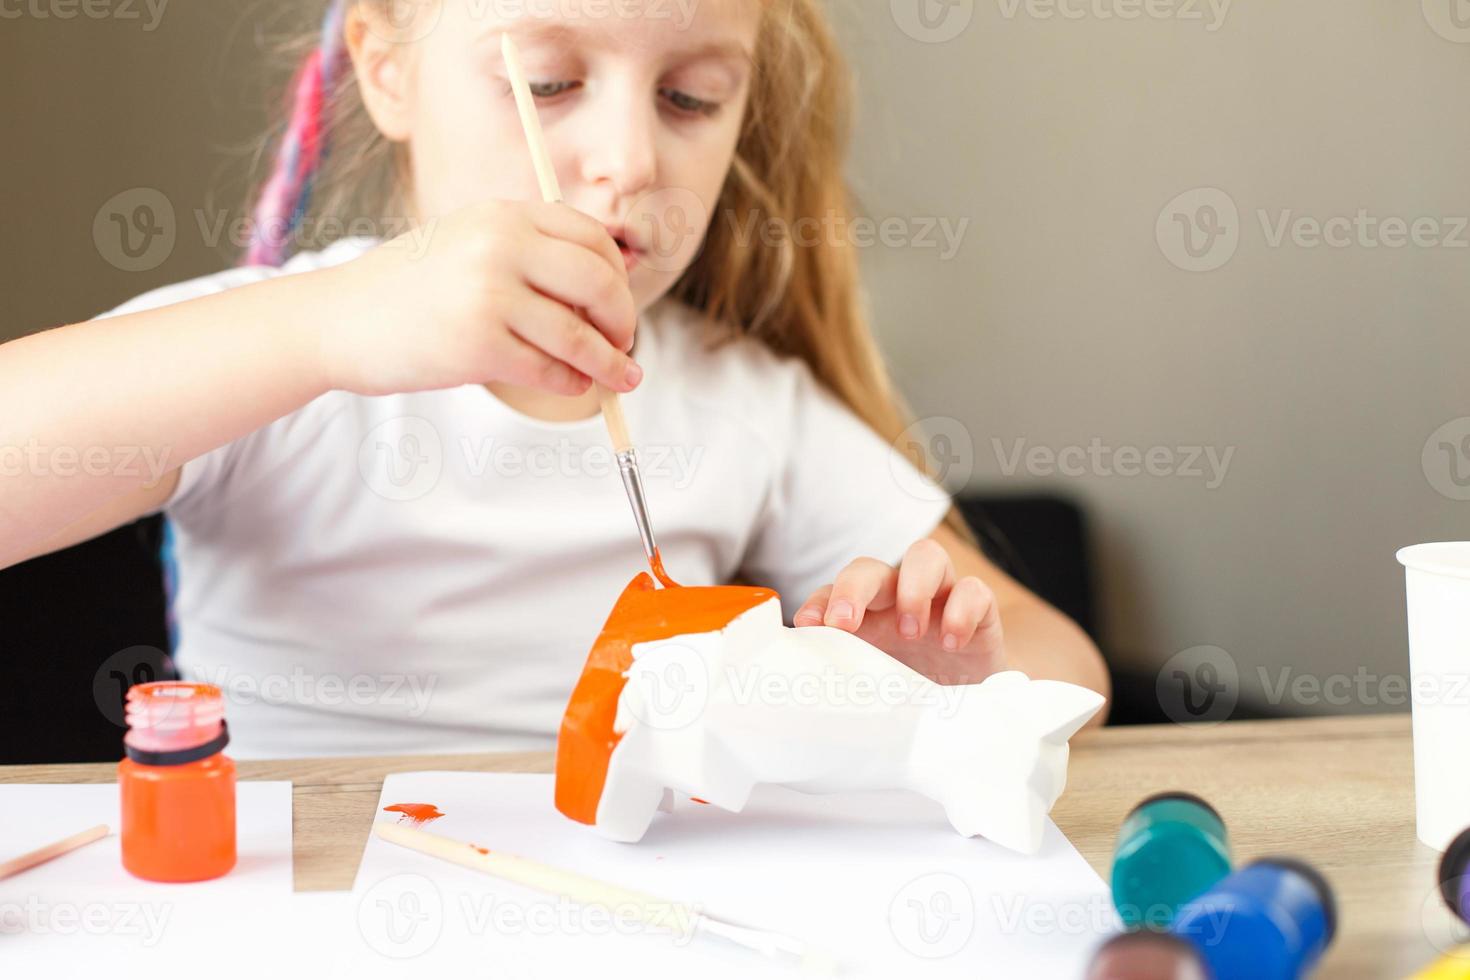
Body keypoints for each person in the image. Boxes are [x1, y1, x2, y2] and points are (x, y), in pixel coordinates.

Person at [0, 0, 1108, 757]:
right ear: (388, 70)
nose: (627, 159)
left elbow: (1070, 665)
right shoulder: (276, 354)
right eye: (549, 80)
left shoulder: (747, 407)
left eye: (691, 99)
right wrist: (324, 331)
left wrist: (951, 678)